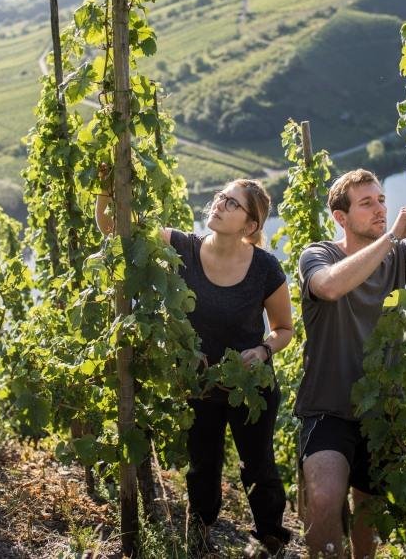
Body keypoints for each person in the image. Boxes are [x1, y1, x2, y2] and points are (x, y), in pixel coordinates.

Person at [96, 178, 294, 554]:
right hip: (200, 384)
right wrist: (107, 188)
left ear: (250, 225)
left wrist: (263, 351)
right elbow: (115, 228)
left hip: (250, 386)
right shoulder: (182, 247)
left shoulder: (265, 268)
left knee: (259, 467)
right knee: (202, 465)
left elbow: (284, 329)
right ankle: (199, 536)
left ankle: (271, 538)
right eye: (221, 197)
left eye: (232, 203)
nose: (219, 204)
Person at [295, 169, 406, 558]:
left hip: (382, 412)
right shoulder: (319, 255)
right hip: (328, 408)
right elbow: (329, 287)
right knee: (324, 499)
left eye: (382, 200)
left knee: (369, 516)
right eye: (367, 203)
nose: (380, 210)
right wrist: (394, 237)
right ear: (341, 217)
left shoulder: (399, 257)